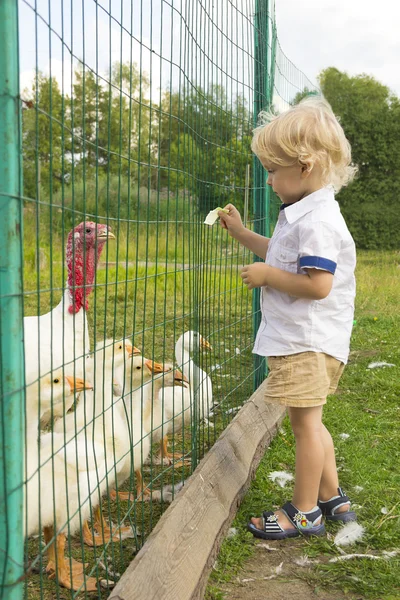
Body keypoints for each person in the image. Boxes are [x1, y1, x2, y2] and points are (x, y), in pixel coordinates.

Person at [218, 96, 357, 540]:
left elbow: (317, 285)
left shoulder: (317, 221)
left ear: (306, 167)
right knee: (310, 420)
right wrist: (242, 235)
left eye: (274, 170)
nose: (269, 179)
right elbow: (281, 255)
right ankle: (333, 497)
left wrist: (267, 277)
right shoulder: (301, 215)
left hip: (309, 341)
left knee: (306, 425)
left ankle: (304, 512)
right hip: (309, 340)